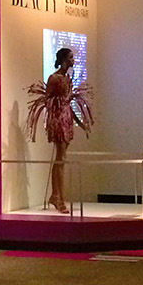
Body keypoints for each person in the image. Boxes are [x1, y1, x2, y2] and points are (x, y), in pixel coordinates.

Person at [26, 48, 93, 213]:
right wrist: (55, 119)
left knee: (61, 158)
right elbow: (48, 101)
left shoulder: (67, 79)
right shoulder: (54, 78)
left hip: (66, 120)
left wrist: (81, 123)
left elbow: (67, 104)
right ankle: (59, 198)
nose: (73, 60)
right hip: (58, 121)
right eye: (70, 57)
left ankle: (56, 195)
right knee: (60, 158)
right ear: (63, 59)